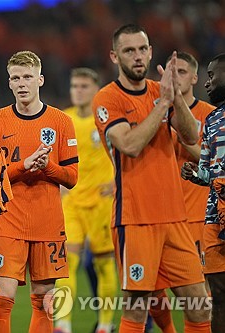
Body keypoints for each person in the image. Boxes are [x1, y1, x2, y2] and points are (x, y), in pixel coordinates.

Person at [92, 24, 211, 332]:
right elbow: (129, 145)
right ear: (114, 56)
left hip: (175, 217)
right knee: (136, 308)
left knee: (199, 306)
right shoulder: (107, 98)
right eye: (129, 50)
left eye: (142, 49)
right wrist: (162, 103)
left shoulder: (161, 92)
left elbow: (190, 134)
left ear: (150, 52)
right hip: (135, 218)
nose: (137, 56)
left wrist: (176, 98)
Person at [0, 50, 79, 333]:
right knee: (2, 298)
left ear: (40, 79)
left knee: (44, 302)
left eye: (27, 77)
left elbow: (72, 177)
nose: (21, 83)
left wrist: (48, 167)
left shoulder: (61, 122)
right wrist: (23, 166)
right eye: (15, 78)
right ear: (9, 83)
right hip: (8, 220)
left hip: (48, 223)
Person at [148, 51, 215, 333]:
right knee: (150, 288)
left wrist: (179, 133)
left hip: (199, 217)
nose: (175, 78)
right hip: (160, 215)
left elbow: (213, 160)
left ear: (196, 78)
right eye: (171, 73)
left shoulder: (210, 116)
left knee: (202, 294)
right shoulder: (155, 111)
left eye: (183, 72)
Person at [54, 68, 117, 333]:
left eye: (83, 86)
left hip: (102, 201)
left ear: (95, 90)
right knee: (67, 264)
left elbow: (127, 151)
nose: (77, 90)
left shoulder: (105, 119)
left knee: (104, 264)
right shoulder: (63, 119)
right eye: (74, 85)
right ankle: (63, 325)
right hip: (72, 201)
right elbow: (53, 158)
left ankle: (104, 325)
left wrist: (117, 182)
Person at [181, 53, 225, 332]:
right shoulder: (211, 119)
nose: (207, 83)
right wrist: (196, 174)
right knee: (218, 295)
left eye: (212, 75)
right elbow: (209, 170)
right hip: (214, 215)